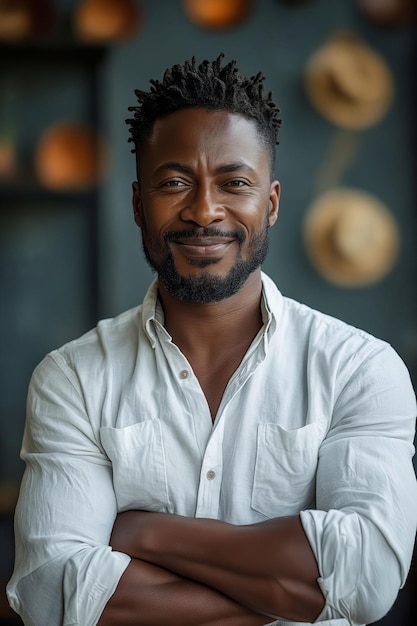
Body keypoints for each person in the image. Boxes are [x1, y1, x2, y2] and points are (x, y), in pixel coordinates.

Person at [7, 54, 417, 626]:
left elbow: (368, 581)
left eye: (234, 183)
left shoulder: (360, 369)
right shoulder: (73, 378)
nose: (203, 211)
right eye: (174, 183)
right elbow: (51, 594)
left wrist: (146, 533)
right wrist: (290, 596)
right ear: (136, 205)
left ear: (269, 204)